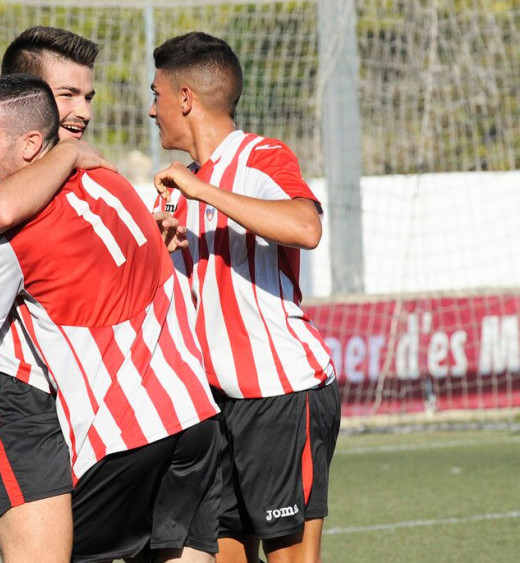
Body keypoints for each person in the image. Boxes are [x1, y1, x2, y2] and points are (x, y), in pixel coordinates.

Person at [0, 73, 223, 563]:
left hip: (125, 435)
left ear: (32, 143)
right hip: (194, 417)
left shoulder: (15, 233)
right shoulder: (112, 181)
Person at [148, 32, 342, 563]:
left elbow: (305, 226)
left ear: (185, 98)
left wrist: (203, 191)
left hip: (281, 394)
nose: (151, 109)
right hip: (214, 408)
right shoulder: (176, 188)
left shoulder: (260, 156)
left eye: (156, 94)